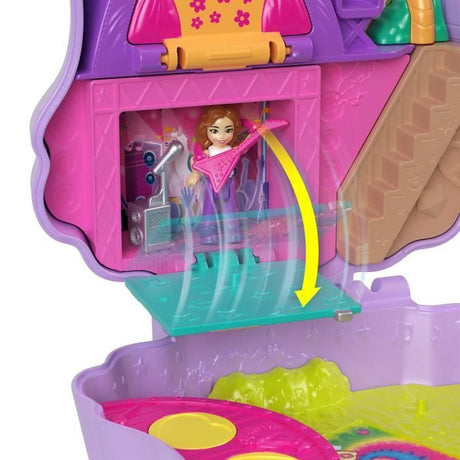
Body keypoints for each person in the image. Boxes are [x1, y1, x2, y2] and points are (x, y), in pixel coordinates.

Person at [187, 105, 242, 244]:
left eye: (228, 130)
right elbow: (196, 160)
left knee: (230, 208)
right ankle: (208, 233)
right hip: (211, 183)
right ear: (206, 130)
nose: (221, 136)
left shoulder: (232, 149)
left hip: (228, 183)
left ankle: (232, 231)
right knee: (209, 208)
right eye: (215, 131)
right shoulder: (209, 151)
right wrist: (195, 174)